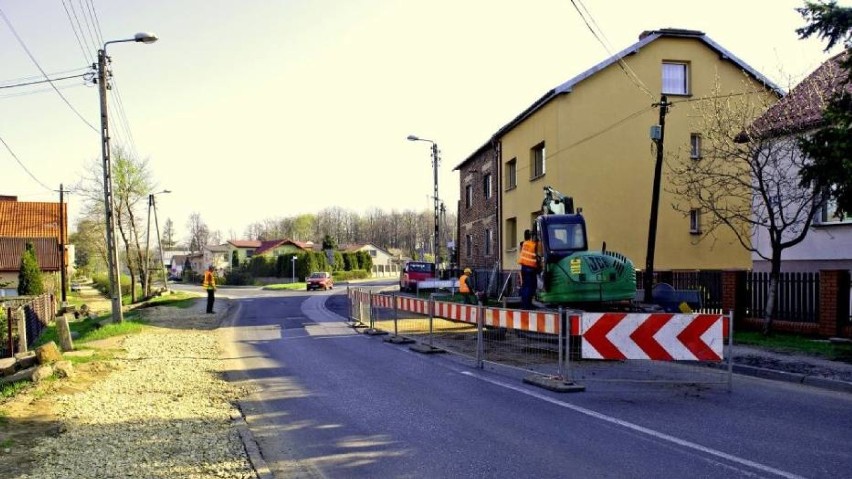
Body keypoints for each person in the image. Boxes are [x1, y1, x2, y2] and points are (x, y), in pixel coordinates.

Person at [518, 229, 539, 309]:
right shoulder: (533, 244)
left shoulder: (524, 244)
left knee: (525, 286)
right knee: (530, 286)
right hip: (530, 268)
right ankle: (527, 305)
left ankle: (524, 304)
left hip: (524, 267)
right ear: (531, 237)